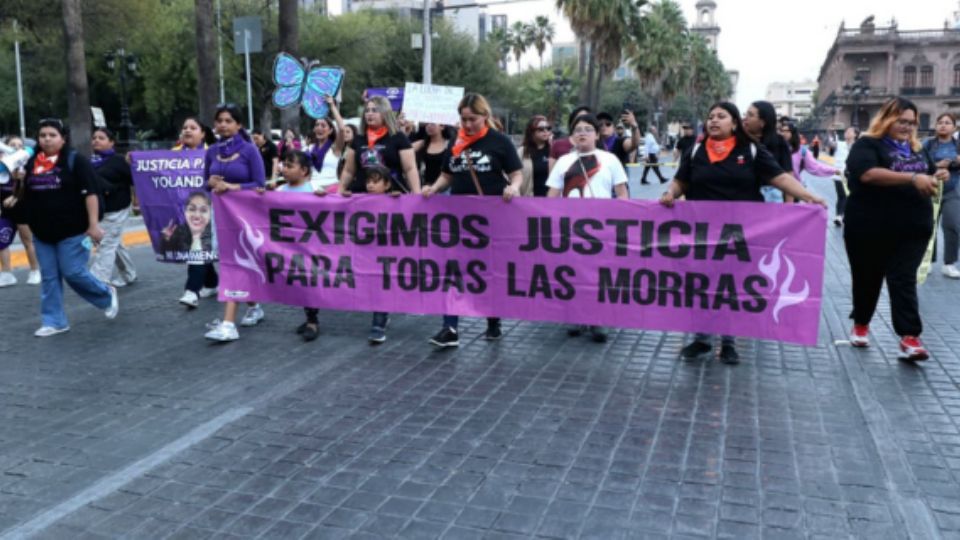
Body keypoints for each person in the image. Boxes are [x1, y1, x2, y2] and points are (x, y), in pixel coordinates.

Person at [660, 102, 826, 364]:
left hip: (741, 234)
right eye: (711, 116)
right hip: (701, 232)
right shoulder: (695, 151)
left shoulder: (750, 150)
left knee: (731, 287)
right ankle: (702, 339)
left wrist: (809, 197)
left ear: (734, 123)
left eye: (721, 116)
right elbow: (682, 181)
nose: (714, 120)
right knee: (703, 285)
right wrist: (671, 193)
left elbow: (780, 177)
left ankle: (728, 341)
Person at [843, 97, 948, 361]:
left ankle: (910, 337)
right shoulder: (867, 144)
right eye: (901, 121)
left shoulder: (916, 149)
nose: (907, 127)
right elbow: (867, 174)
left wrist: (937, 176)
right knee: (868, 276)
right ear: (886, 118)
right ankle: (861, 324)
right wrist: (912, 178)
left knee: (903, 278)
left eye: (912, 123)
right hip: (870, 226)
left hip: (912, 227)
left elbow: (929, 172)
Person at [421, 93, 524, 347]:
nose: (467, 125)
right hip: (460, 220)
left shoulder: (500, 142)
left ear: (485, 117)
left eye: (473, 119)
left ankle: (493, 320)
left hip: (493, 220)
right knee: (454, 270)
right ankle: (450, 328)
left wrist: (514, 188)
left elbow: (516, 173)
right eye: (463, 119)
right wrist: (433, 188)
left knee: (488, 271)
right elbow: (448, 175)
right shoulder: (456, 144)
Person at [5, 118, 118, 336]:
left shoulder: (75, 161)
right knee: (49, 277)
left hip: (74, 230)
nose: (46, 139)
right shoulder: (29, 163)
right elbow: (22, 195)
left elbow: (91, 193)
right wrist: (19, 179)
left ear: (63, 138)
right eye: (42, 135)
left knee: (73, 272)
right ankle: (54, 321)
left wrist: (93, 225)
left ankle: (105, 294)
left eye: (52, 135)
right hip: (42, 231)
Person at [547, 113, 629, 343]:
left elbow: (622, 193)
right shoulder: (563, 162)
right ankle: (575, 315)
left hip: (602, 227)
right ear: (572, 137)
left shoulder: (610, 159)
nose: (582, 133)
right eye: (577, 130)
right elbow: (552, 194)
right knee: (573, 271)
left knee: (599, 274)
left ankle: (598, 318)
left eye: (587, 129)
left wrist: (620, 220)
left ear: (596, 134)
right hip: (570, 226)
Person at [203, 104, 268, 342]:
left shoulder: (250, 150)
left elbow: (260, 185)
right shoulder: (211, 152)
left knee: (236, 262)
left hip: (245, 217)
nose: (223, 125)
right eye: (219, 120)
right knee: (226, 260)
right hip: (220, 216)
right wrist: (211, 183)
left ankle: (229, 323)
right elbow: (204, 185)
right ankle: (254, 305)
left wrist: (233, 187)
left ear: (239, 125)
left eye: (228, 120)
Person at [261, 150, 323, 342]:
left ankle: (313, 321)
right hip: (289, 248)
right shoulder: (279, 191)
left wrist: (325, 198)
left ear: (304, 170)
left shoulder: (314, 188)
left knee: (309, 282)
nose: (284, 169)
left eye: (290, 166)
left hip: (311, 247)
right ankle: (309, 317)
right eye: (284, 165)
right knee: (300, 283)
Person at [172, 117, 219, 307]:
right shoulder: (172, 155)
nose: (188, 131)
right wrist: (133, 160)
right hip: (183, 211)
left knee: (197, 248)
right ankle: (212, 282)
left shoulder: (212, 154)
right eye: (185, 127)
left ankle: (191, 291)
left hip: (209, 210)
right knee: (199, 249)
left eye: (193, 128)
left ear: (203, 133)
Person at [338, 96, 420, 195]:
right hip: (361, 195)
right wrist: (339, 192)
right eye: (367, 110)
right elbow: (348, 171)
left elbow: (410, 169)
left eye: (374, 110)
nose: (369, 114)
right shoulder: (359, 138)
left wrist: (417, 195)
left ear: (385, 113)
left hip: (392, 196)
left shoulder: (398, 137)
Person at [88, 127, 137, 288]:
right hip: (101, 211)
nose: (96, 140)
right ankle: (129, 274)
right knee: (113, 242)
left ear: (111, 142)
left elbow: (135, 180)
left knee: (106, 243)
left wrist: (137, 201)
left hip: (117, 209)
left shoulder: (119, 161)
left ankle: (98, 281)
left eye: (101, 138)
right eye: (94, 137)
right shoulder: (91, 162)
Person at [0, 135, 41, 287]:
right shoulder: (3, 165)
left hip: (22, 209)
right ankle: (6, 274)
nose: (16, 147)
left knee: (27, 241)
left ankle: (35, 270)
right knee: (1, 240)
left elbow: (25, 187)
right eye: (12, 144)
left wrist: (14, 198)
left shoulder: (26, 164)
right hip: (6, 211)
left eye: (19, 145)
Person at [924, 113, 960, 278]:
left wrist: (952, 163)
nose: (943, 125)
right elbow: (919, 163)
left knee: (952, 225)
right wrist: (937, 165)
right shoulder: (928, 144)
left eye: (947, 123)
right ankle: (928, 261)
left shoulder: (958, 145)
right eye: (940, 122)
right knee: (929, 226)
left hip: (952, 191)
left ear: (954, 127)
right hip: (930, 190)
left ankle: (949, 263)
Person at [742, 101, 794, 203]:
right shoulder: (740, 141)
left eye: (751, 115)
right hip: (745, 198)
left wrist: (789, 207)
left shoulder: (779, 142)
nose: (745, 118)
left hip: (772, 199)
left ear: (762, 122)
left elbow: (788, 175)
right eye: (746, 114)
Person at [780, 122, 841, 203]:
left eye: (786, 131)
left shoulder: (802, 151)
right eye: (781, 131)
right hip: (775, 191)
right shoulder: (775, 147)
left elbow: (815, 167)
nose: (782, 133)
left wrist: (833, 170)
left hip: (793, 190)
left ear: (793, 133)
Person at [305, 96, 347, 192]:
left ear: (330, 130)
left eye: (323, 125)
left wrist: (332, 106)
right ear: (314, 129)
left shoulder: (335, 148)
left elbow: (342, 129)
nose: (319, 128)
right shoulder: (309, 148)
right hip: (312, 189)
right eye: (317, 125)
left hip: (331, 188)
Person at [831, 127, 860, 226]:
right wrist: (831, 135)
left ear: (855, 134)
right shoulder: (839, 144)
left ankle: (844, 216)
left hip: (852, 175)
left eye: (849, 131)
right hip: (839, 174)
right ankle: (839, 216)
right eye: (845, 131)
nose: (846, 133)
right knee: (842, 196)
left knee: (849, 196)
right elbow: (831, 145)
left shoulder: (858, 146)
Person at [519, 115, 553, 196]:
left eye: (548, 128)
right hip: (529, 199)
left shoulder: (553, 150)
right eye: (541, 129)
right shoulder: (522, 152)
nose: (545, 131)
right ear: (531, 132)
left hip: (551, 200)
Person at [413, 123, 454, 188]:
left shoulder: (450, 144)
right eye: (427, 124)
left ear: (442, 127)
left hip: (446, 187)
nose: (429, 126)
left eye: (432, 124)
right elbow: (405, 151)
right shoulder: (422, 144)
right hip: (426, 187)